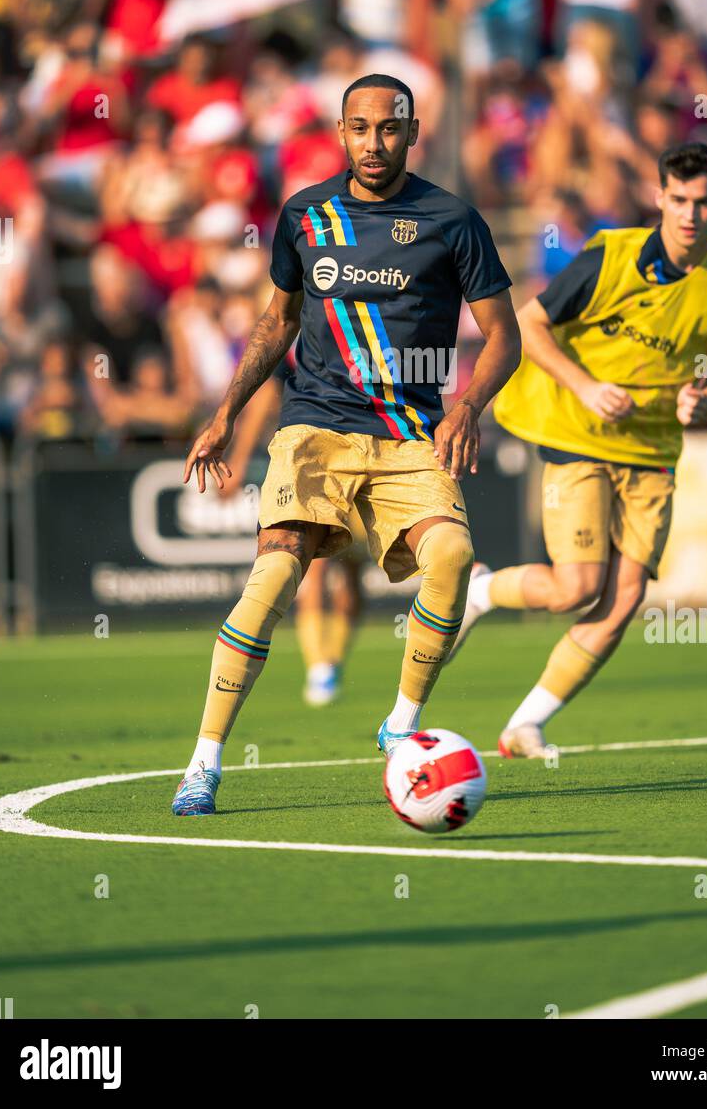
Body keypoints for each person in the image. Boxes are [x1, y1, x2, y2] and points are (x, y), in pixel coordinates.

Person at [171, 72, 520, 815]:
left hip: (408, 436)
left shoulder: (453, 220)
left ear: (412, 132)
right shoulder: (305, 214)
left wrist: (468, 408)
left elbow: (505, 338)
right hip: (316, 427)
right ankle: (203, 763)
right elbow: (277, 321)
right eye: (360, 128)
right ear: (340, 131)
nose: (374, 142)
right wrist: (226, 411)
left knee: (453, 557)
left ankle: (402, 725)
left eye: (388, 128)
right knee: (269, 582)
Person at [453, 142, 707, 758]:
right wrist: (587, 387)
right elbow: (528, 325)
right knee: (575, 590)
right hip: (576, 433)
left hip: (651, 450)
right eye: (679, 200)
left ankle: (525, 723)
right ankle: (481, 591)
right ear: (659, 198)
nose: (690, 214)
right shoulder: (608, 256)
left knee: (624, 601)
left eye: (703, 202)